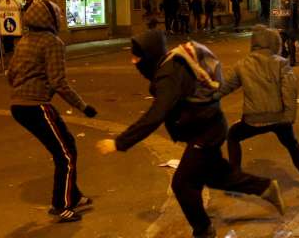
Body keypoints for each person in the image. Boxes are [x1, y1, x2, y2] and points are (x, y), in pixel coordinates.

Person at [96, 30, 285, 238]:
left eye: (137, 56)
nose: (133, 61)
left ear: (149, 55)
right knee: (217, 176)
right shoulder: (170, 65)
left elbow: (157, 114)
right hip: (209, 126)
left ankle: (203, 230)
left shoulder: (169, 73)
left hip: (205, 133)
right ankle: (266, 188)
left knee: (182, 183)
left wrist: (120, 142)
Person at [7, 0, 97, 222]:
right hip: (36, 105)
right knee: (65, 154)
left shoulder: (23, 41)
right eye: (59, 14)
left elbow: (10, 74)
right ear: (51, 18)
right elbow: (59, 82)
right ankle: (62, 204)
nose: (61, 18)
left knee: (66, 145)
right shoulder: (52, 43)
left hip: (19, 105)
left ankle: (73, 195)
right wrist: (83, 107)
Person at [220, 25, 299, 192]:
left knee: (233, 136)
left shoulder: (242, 64)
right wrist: (289, 117)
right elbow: (289, 91)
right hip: (279, 117)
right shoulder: (281, 64)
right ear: (276, 43)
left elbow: (224, 87)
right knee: (292, 145)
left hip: (253, 119)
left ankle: (234, 180)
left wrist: (201, 98)